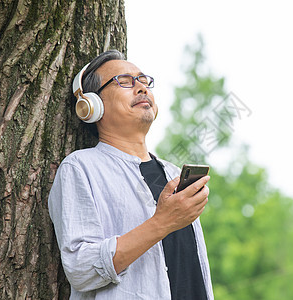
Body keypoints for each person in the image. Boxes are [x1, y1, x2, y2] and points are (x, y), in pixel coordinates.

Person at [48, 50, 214, 299]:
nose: (141, 88)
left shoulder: (171, 173)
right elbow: (81, 269)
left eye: (144, 80)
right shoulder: (80, 168)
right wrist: (163, 222)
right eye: (124, 81)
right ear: (91, 105)